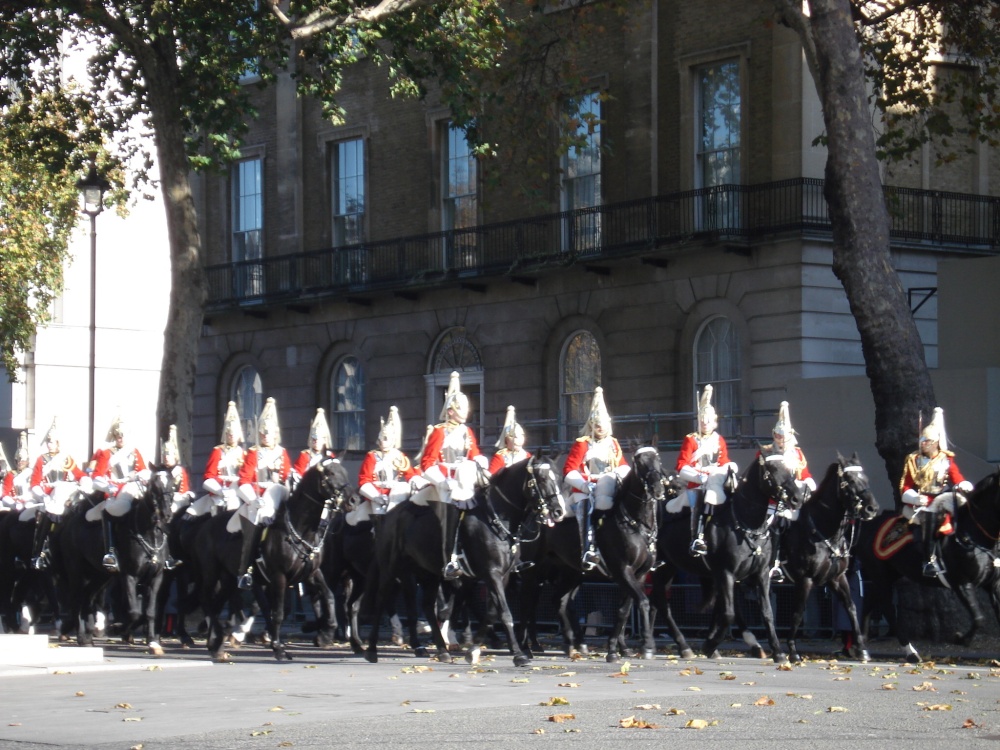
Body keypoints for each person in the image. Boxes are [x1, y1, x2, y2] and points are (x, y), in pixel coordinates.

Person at [417, 371, 488, 580]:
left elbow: (474, 455)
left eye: (466, 408)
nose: (465, 412)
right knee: (451, 507)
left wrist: (481, 465)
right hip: (445, 482)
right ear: (450, 410)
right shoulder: (440, 431)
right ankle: (451, 557)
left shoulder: (467, 432)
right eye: (461, 408)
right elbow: (427, 462)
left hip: (466, 480)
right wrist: (442, 481)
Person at [899, 407, 972, 577]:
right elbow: (906, 485)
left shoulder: (946, 460)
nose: (922, 443)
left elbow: (957, 477)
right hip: (923, 501)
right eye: (922, 440)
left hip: (944, 498)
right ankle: (928, 561)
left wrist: (963, 484)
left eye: (926, 441)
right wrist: (916, 498)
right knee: (930, 518)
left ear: (935, 442)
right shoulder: (914, 460)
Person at [562, 387, 629, 570]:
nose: (601, 428)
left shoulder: (613, 443)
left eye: (604, 424)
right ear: (591, 424)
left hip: (610, 485)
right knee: (587, 508)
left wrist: (619, 475)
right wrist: (584, 485)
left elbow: (622, 465)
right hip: (587, 488)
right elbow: (569, 470)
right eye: (597, 425)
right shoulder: (582, 443)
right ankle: (588, 549)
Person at [232, 398, 292, 589]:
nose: (266, 436)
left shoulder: (282, 453)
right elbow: (244, 479)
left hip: (279, 494)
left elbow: (287, 477)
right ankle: (248, 567)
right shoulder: (253, 453)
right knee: (253, 524)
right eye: (263, 432)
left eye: (269, 433)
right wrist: (252, 499)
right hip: (258, 498)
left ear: (276, 434)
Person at [676, 384, 738, 557]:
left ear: (715, 421)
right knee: (700, 500)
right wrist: (700, 477)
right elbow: (682, 465)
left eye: (708, 420)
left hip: (715, 481)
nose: (704, 422)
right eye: (702, 419)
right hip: (698, 482)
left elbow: (723, 460)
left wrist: (728, 467)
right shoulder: (691, 440)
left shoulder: (719, 440)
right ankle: (698, 537)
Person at [85, 414, 150, 572]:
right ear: (114, 436)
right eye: (118, 435)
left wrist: (142, 476)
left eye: (123, 435)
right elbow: (97, 476)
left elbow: (143, 471)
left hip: (134, 488)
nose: (121, 438)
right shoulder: (106, 453)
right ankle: (111, 552)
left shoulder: (134, 452)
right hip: (115, 492)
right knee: (113, 511)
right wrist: (108, 487)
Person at [759, 401, 816, 582]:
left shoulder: (797, 453)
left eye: (783, 435)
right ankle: (772, 563)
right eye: (777, 435)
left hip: (794, 500)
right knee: (775, 527)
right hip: (773, 501)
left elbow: (804, 473)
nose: (780, 439)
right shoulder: (766, 452)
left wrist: (807, 483)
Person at [29, 418, 88, 569]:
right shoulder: (41, 460)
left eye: (52, 442)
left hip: (64, 495)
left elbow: (79, 474)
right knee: (48, 511)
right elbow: (35, 483)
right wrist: (43, 496)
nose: (49, 444)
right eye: (48, 441)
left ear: (58, 443)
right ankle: (39, 551)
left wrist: (84, 481)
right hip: (48, 495)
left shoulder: (66, 459)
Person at [357, 405, 419, 524]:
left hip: (398, 495)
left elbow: (410, 475)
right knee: (380, 522)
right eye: (381, 439)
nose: (382, 442)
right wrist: (375, 496)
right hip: (378, 494)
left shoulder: (400, 456)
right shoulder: (372, 456)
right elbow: (364, 480)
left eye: (386, 439)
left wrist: (419, 484)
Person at [188, 401, 246, 518]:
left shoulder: (244, 453)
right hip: (220, 492)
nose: (231, 435)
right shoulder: (218, 451)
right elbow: (209, 476)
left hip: (238, 491)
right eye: (229, 433)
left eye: (234, 433)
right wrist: (220, 491)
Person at [292, 408, 336, 487]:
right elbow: (299, 474)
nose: (315, 441)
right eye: (314, 439)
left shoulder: (330, 455)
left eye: (318, 439)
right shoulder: (305, 455)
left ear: (324, 440)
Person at [488, 405, 531, 475]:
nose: (518, 439)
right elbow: (492, 479)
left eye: (521, 435)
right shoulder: (500, 456)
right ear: (506, 439)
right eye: (514, 436)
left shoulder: (526, 455)